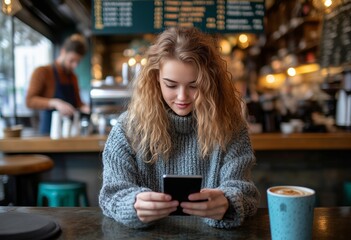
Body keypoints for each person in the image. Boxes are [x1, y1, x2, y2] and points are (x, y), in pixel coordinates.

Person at [99, 27, 260, 229]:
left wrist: (228, 202)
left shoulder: (231, 127)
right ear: (155, 79)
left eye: (194, 85)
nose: (182, 97)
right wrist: (133, 204)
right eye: (171, 85)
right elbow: (111, 194)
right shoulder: (127, 128)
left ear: (211, 82)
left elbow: (246, 193)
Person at [26, 33, 90, 135]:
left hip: (70, 132)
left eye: (77, 62)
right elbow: (29, 101)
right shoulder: (42, 72)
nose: (74, 65)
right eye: (72, 60)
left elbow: (78, 103)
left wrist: (87, 108)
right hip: (48, 134)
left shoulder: (73, 77)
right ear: (63, 52)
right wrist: (55, 103)